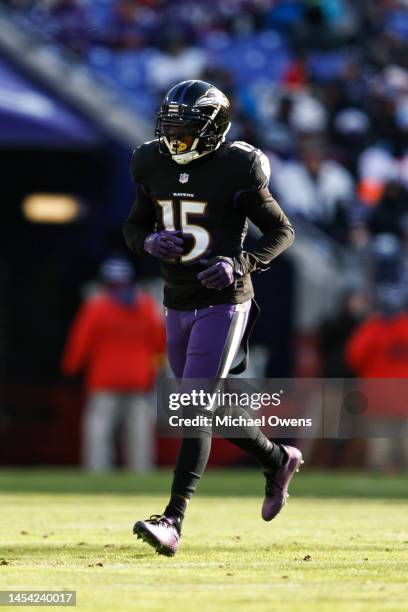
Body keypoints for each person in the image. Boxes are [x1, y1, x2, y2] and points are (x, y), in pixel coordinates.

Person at [123, 79, 302, 557]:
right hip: (176, 298)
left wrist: (240, 262)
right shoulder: (150, 160)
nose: (175, 139)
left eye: (186, 130)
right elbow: (135, 222)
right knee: (200, 405)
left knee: (191, 403)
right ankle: (276, 457)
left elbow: (282, 231)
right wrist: (145, 242)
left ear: (213, 129)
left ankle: (172, 519)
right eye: (171, 128)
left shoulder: (236, 166)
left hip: (223, 301)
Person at [61, 257, 166, 471]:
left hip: (104, 379)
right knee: (139, 429)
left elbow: (81, 341)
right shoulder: (146, 305)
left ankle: (98, 470)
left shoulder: (97, 306)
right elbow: (160, 343)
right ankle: (141, 471)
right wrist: (157, 369)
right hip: (138, 379)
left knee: (99, 428)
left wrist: (70, 369)